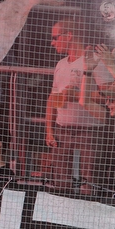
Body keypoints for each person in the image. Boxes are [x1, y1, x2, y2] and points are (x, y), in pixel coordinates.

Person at [44, 20, 104, 194]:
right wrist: (49, 130)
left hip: (89, 132)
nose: (52, 42)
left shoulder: (93, 61)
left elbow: (107, 97)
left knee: (89, 184)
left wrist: (77, 95)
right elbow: (53, 98)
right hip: (62, 130)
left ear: (69, 35)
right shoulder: (61, 64)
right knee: (61, 183)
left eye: (55, 37)